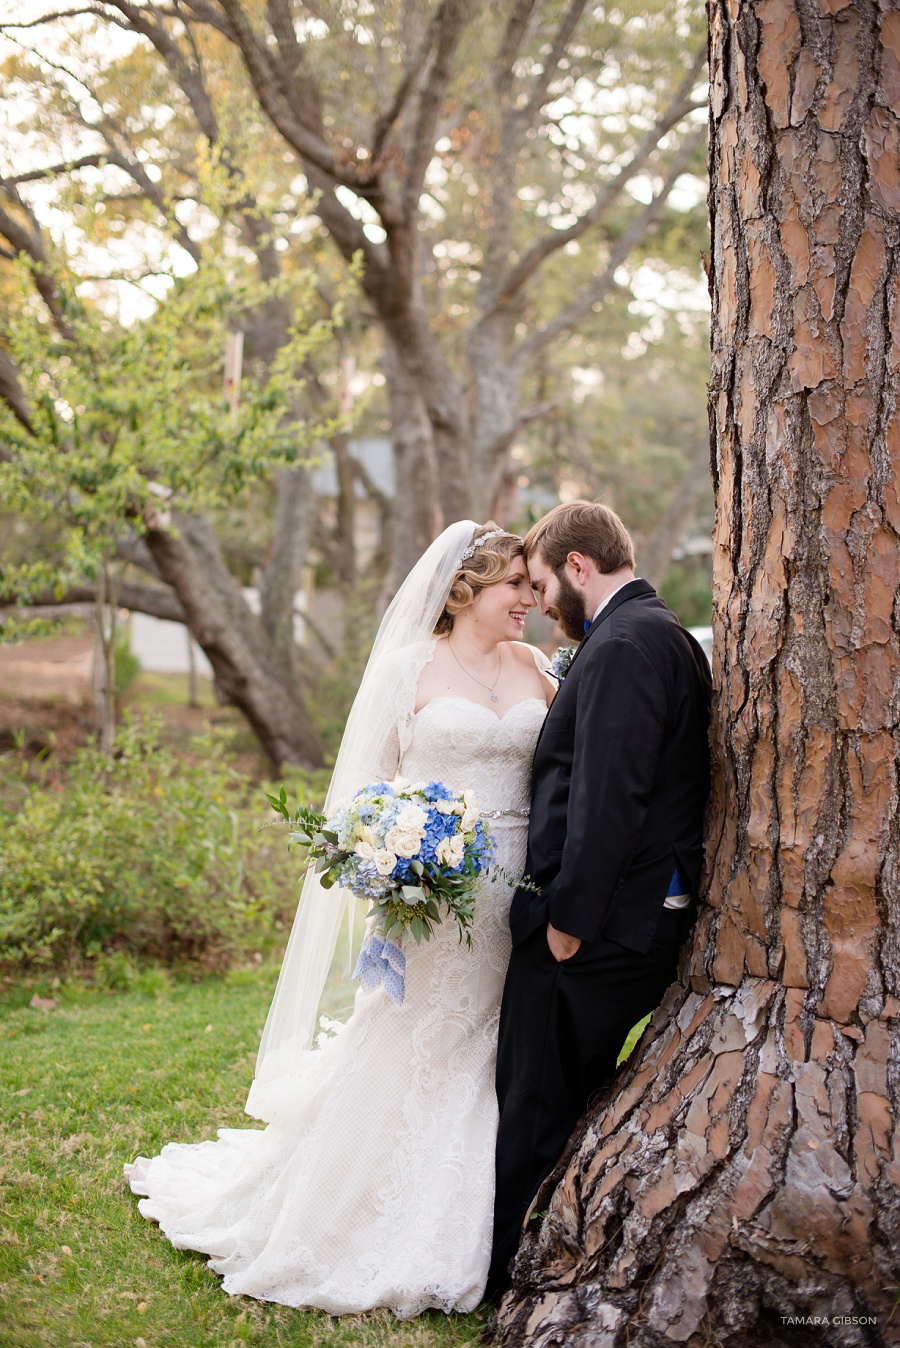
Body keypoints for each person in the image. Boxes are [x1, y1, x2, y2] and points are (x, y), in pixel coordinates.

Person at [125, 520, 556, 1317]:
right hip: (434, 896)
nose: (530, 599)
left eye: (533, 586)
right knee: (410, 1038)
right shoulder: (407, 672)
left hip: (520, 898)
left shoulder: (538, 668)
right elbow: (364, 795)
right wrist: (395, 861)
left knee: (492, 1045)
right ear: (467, 590)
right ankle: (364, 1213)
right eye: (516, 586)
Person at [487, 500, 712, 1296]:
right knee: (552, 1097)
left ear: (579, 566)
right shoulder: (659, 633)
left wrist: (567, 925)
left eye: (544, 584)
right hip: (624, 917)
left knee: (538, 1105)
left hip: (599, 927)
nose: (541, 604)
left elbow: (608, 798)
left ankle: (510, 1277)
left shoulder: (624, 644)